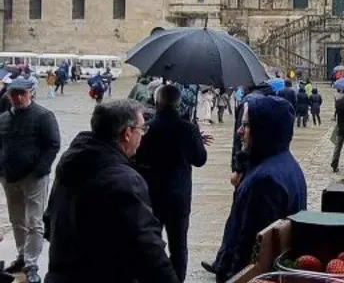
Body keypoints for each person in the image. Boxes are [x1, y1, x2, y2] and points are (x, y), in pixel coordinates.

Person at [43, 100, 180, 283]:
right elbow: (147, 248)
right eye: (141, 129)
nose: (142, 136)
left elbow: (49, 220)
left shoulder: (71, 162)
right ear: (127, 133)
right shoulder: (125, 180)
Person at [211, 95, 307, 283]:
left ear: (263, 130)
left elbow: (249, 248)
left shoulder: (264, 181)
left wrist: (231, 277)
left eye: (246, 125)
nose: (239, 131)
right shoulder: (285, 164)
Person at [134, 85, 211, 281]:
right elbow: (200, 160)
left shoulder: (146, 129)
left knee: (151, 242)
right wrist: (196, 137)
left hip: (151, 194)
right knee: (179, 245)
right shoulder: (189, 129)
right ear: (178, 104)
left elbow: (136, 158)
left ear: (157, 102)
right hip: (179, 196)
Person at [0, 78, 60, 283]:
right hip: (9, 177)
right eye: (13, 94)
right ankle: (21, 256)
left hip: (34, 177)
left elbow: (52, 144)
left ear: (31, 93)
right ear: (8, 96)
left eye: (21, 93)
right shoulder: (3, 119)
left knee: (34, 221)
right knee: (17, 219)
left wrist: (40, 170)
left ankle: (32, 262)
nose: (17, 98)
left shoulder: (43, 116)